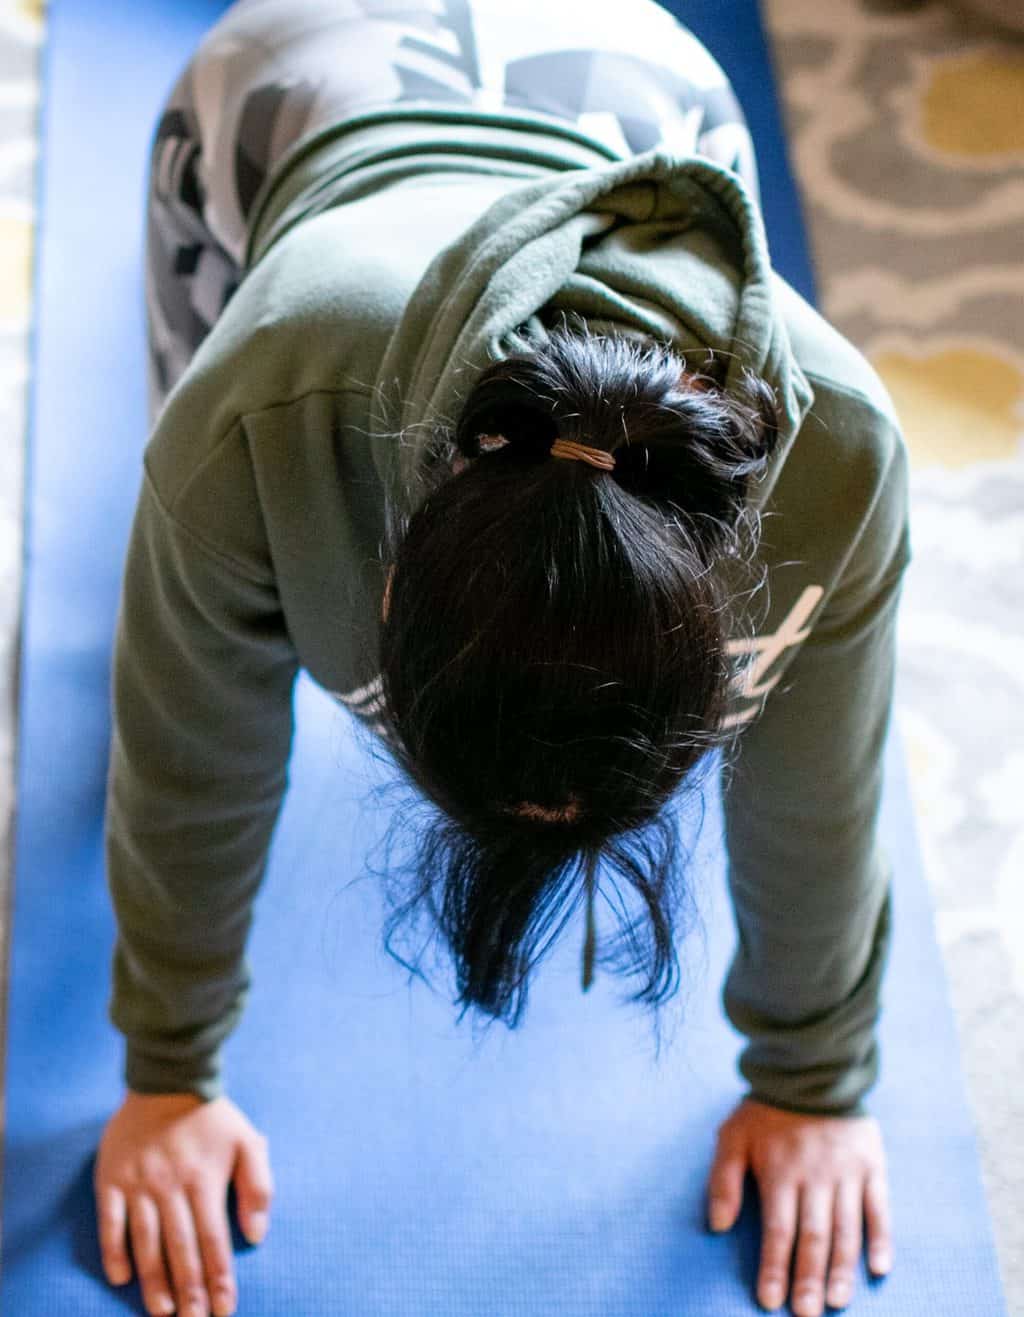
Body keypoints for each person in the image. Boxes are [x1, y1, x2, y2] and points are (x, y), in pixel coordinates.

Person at [92, 3, 910, 1316]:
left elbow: (823, 782)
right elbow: (193, 743)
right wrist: (167, 1071)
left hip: (644, 83)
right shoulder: (264, 410)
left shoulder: (839, 459)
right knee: (174, 487)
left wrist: (814, 1081)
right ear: (392, 583)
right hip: (290, 70)